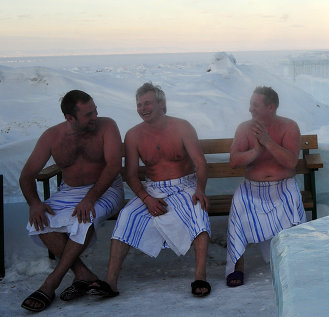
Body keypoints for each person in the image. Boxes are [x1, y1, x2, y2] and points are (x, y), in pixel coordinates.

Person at [89, 83, 211, 298]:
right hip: (153, 189)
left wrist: (200, 189)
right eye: (139, 105)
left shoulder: (182, 127)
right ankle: (110, 281)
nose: (143, 108)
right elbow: (131, 174)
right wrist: (146, 199)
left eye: (147, 103)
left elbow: (200, 162)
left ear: (161, 104)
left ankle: (200, 275)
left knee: (198, 211)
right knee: (126, 216)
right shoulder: (134, 135)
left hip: (184, 185)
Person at [18, 90, 124, 312]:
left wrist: (90, 198)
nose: (95, 116)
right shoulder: (52, 137)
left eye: (95, 110)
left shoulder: (107, 126)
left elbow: (114, 165)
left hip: (105, 188)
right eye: (88, 114)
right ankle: (83, 274)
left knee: (84, 218)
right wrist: (35, 204)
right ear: (70, 118)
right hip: (69, 191)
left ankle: (51, 282)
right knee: (40, 220)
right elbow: (26, 175)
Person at [225, 86, 305, 287]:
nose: (250, 109)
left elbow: (291, 162)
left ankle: (294, 261)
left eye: (255, 105)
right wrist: (255, 151)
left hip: (282, 186)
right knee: (238, 204)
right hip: (252, 188)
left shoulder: (289, 127)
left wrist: (268, 142)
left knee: (292, 200)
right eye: (250, 104)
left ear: (271, 107)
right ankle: (237, 266)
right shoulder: (244, 128)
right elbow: (234, 161)